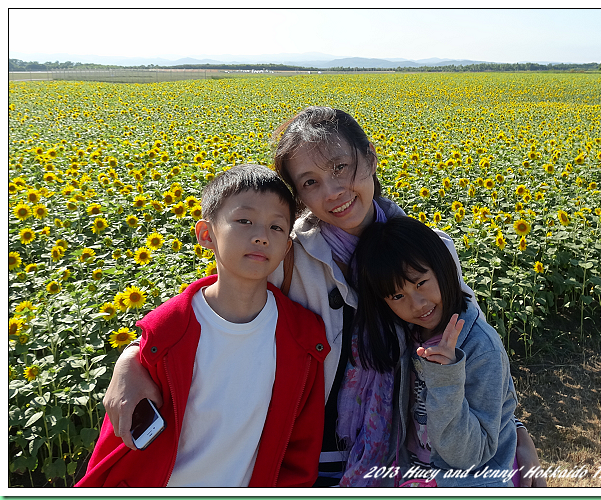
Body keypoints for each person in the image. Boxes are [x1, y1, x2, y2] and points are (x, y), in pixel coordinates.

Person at [100, 107, 546, 487]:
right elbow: (221, 302)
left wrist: (513, 426)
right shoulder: (289, 251)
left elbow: (467, 338)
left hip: (413, 450)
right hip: (316, 450)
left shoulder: (429, 248)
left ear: (369, 158)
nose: (332, 192)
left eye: (339, 168)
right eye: (310, 182)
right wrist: (134, 357)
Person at [75, 164, 329, 487]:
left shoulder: (303, 340)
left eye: (277, 227)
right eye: (244, 221)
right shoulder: (167, 336)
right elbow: (114, 450)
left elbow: (299, 454)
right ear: (206, 235)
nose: (261, 236)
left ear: (286, 247)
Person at [348, 216, 519, 487]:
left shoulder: (481, 348)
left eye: (420, 283)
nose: (417, 304)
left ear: (442, 267)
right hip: (413, 477)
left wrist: (445, 377)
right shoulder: (406, 336)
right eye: (397, 296)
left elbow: (469, 456)